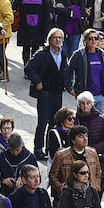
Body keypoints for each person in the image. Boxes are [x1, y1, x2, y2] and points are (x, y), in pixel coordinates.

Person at [27, 29, 69, 157]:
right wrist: (37, 81)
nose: (57, 40)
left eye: (60, 37)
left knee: (55, 123)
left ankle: (51, 148)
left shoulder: (63, 54)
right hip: (45, 94)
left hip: (58, 93)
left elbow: (65, 72)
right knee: (42, 123)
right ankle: (38, 149)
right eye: (55, 37)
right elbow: (29, 68)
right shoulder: (42, 54)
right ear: (49, 40)